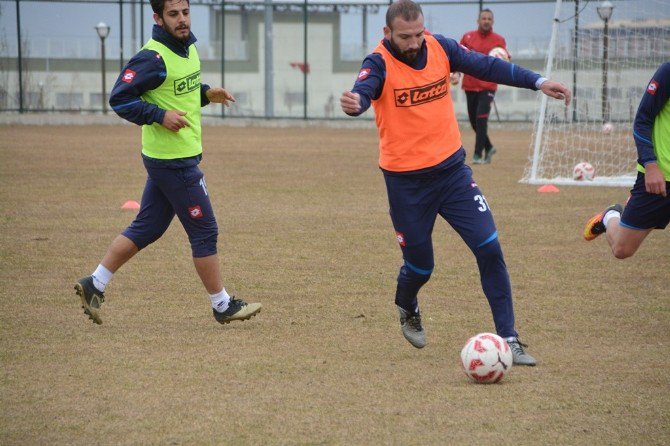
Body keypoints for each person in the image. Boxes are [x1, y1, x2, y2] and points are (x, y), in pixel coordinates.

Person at [340, 0, 570, 365]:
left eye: (418, 33)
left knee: (490, 248)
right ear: (387, 33)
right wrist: (356, 103)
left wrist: (538, 82)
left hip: (452, 174)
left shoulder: (441, 47)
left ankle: (509, 339)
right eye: (405, 36)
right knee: (420, 267)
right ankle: (407, 303)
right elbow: (363, 92)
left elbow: (489, 65)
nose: (414, 42)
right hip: (406, 184)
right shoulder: (378, 62)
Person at [74, 0, 261, 325]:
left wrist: (205, 94)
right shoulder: (153, 57)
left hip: (174, 158)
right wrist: (159, 116)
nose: (182, 20)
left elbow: (174, 91)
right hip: (173, 162)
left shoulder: (188, 49)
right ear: (157, 18)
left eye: (185, 13)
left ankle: (95, 283)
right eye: (173, 14)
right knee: (205, 231)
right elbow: (119, 98)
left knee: (148, 227)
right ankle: (222, 305)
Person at [583, 62, 670, 256]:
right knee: (622, 249)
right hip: (661, 177)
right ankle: (611, 216)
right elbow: (642, 119)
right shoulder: (668, 72)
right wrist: (650, 164)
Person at [452, 9, 509, 164]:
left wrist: (505, 58)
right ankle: (489, 147)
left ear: (493, 21)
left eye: (489, 18)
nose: (486, 21)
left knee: (481, 118)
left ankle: (478, 155)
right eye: (483, 18)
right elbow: (458, 57)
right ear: (478, 21)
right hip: (470, 85)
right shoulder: (468, 37)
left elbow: (504, 58)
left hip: (488, 86)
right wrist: (456, 73)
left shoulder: (499, 40)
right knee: (474, 121)